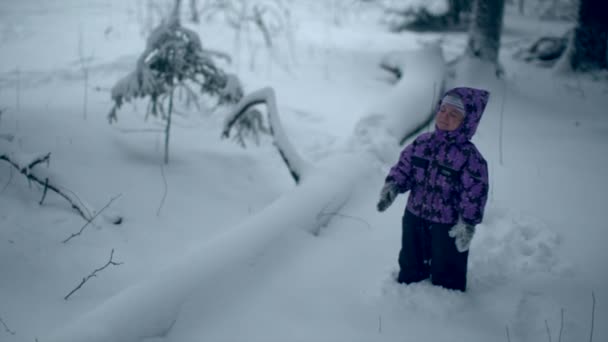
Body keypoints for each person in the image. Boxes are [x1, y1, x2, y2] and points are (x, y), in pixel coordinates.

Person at [376, 87, 490, 292]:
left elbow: (474, 192)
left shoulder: (470, 158)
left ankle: (448, 297)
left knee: (448, 262)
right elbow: (405, 167)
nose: (445, 117)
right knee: (411, 256)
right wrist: (393, 185)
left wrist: (467, 223)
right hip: (414, 214)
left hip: (447, 223)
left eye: (454, 114)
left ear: (467, 122)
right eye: (443, 110)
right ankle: (408, 285)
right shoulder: (422, 143)